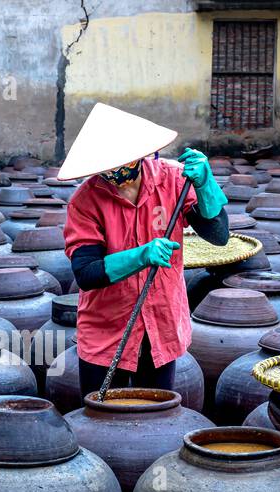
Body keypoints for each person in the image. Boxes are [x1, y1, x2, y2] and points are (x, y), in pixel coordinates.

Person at [59, 103, 231, 396]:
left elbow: (218, 235)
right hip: (107, 330)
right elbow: (87, 272)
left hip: (160, 324)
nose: (113, 171)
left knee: (155, 417)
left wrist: (206, 185)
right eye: (105, 166)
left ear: (137, 156)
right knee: (102, 418)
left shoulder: (174, 180)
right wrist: (142, 255)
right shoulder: (85, 201)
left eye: (118, 162)